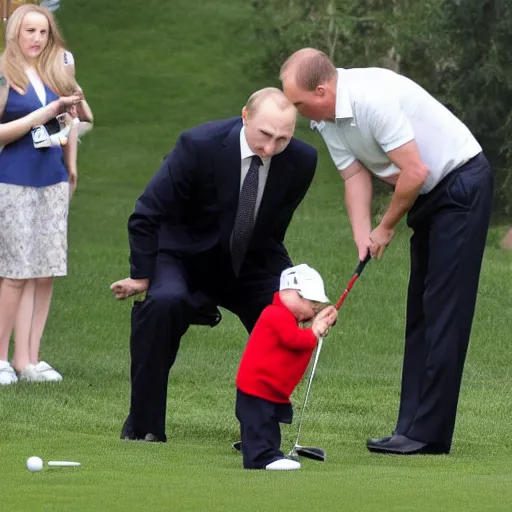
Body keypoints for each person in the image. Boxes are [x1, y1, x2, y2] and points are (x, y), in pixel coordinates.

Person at [279, 48, 493, 455]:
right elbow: (354, 175)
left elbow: (415, 172)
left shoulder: (369, 100)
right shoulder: (325, 118)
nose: (296, 113)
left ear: (322, 89)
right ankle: (409, 427)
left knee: (444, 310)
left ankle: (429, 435)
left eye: (299, 102)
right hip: (430, 194)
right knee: (422, 311)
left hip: (461, 184)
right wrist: (363, 235)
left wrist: (386, 226)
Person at [110, 87, 318, 443]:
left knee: (283, 313)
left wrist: (294, 288)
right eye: (265, 135)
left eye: (283, 139)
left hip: (247, 263)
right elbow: (146, 213)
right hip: (182, 256)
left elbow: (272, 232)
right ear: (245, 116)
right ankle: (144, 426)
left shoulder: (302, 160)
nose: (270, 148)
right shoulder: (197, 145)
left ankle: (261, 430)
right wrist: (142, 275)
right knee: (164, 303)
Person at [0, 3, 92, 385]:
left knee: (45, 270)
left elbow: (80, 119)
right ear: (15, 33)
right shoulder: (5, 75)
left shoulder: (57, 72)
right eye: (30, 31)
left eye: (43, 32)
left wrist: (70, 157)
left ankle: (29, 359)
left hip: (51, 179)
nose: (37, 39)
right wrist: (44, 114)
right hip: (14, 179)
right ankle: (1, 358)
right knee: (14, 271)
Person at [235, 264, 337, 470]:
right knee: (260, 422)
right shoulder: (275, 315)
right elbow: (295, 340)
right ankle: (260, 458)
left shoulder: (286, 317)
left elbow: (300, 345)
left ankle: (269, 453)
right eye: (309, 302)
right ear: (290, 293)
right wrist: (315, 330)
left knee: (268, 424)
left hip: (266, 389)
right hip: (257, 388)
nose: (312, 309)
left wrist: (317, 325)